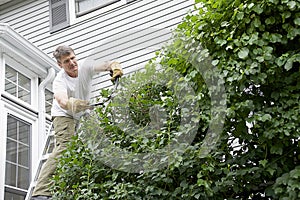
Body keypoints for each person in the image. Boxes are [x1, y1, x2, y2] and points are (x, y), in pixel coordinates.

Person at [31, 45, 123, 200]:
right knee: (65, 146)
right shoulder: (60, 80)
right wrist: (72, 104)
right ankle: (41, 192)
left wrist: (113, 66)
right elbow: (61, 101)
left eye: (73, 58)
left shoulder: (85, 68)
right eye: (67, 61)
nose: (72, 63)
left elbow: (105, 64)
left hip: (84, 111)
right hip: (64, 114)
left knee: (100, 138)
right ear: (60, 65)